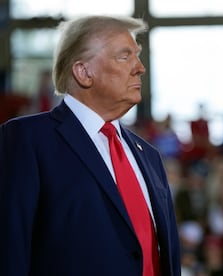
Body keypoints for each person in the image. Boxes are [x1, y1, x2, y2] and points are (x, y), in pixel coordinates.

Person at [0, 15, 181, 276]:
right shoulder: (26, 139)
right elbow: (10, 250)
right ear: (83, 72)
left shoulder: (149, 155)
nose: (140, 67)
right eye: (124, 56)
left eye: (137, 56)